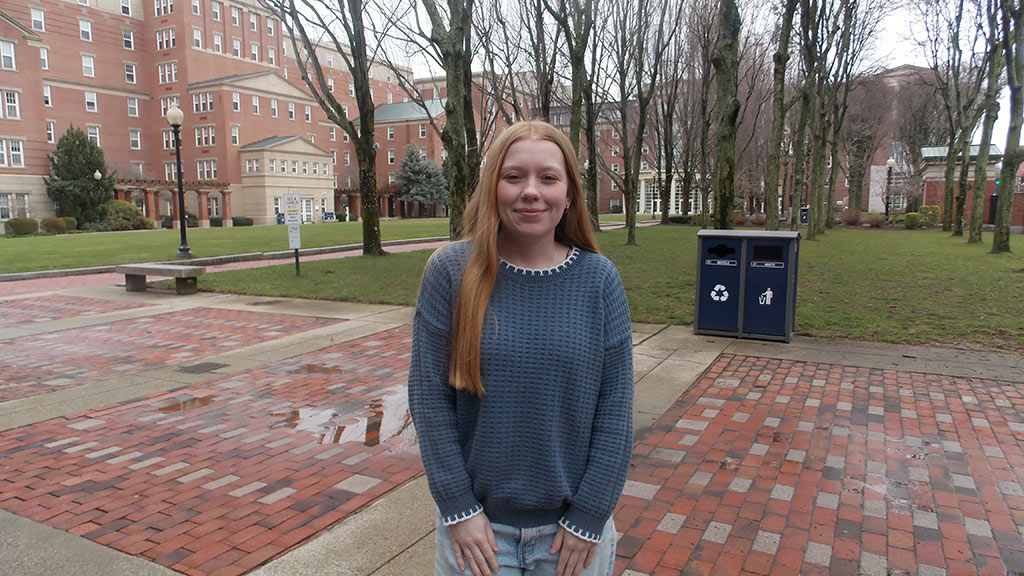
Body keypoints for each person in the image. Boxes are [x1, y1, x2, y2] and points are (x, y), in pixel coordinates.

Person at [408, 121, 633, 576]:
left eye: (548, 178)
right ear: (493, 188)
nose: (531, 191)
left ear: (569, 193)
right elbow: (430, 400)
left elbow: (616, 409)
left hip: (572, 539)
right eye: (514, 177)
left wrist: (590, 517)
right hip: (479, 537)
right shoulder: (451, 273)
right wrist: (459, 509)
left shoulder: (599, 280)